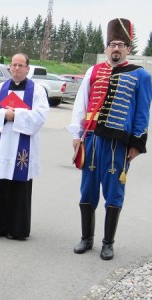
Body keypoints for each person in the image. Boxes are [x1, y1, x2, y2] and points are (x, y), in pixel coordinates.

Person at [68, 18, 152, 260]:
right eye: (112, 44)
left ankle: (108, 242)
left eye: (121, 44)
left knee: (114, 193)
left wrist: (137, 143)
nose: (116, 48)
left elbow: (143, 112)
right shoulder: (93, 71)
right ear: (106, 47)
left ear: (128, 48)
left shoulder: (140, 76)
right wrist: (77, 134)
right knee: (87, 190)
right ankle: (86, 238)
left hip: (119, 144)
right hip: (92, 139)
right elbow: (80, 104)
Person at [0, 53, 50, 240]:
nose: (16, 68)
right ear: (10, 67)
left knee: (18, 183)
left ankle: (16, 229)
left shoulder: (37, 91)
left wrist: (17, 114)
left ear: (27, 68)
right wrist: (3, 114)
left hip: (22, 144)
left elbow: (41, 115)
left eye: (21, 65)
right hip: (0, 144)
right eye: (14, 65)